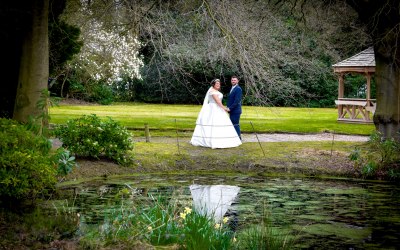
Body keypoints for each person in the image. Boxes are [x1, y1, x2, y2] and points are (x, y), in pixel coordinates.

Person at [190, 79, 242, 149]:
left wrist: (224, 108)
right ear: (213, 85)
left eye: (219, 84)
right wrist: (224, 108)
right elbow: (218, 101)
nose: (218, 85)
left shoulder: (217, 91)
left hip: (218, 108)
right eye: (216, 84)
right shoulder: (212, 91)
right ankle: (212, 140)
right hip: (213, 109)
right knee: (213, 123)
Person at [227, 76, 242, 140]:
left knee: (235, 124)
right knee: (233, 124)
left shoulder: (238, 89)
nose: (233, 81)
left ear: (237, 81)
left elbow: (237, 101)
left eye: (235, 80)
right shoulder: (233, 88)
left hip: (235, 110)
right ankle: (235, 138)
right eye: (232, 80)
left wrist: (230, 108)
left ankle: (238, 138)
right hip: (232, 110)